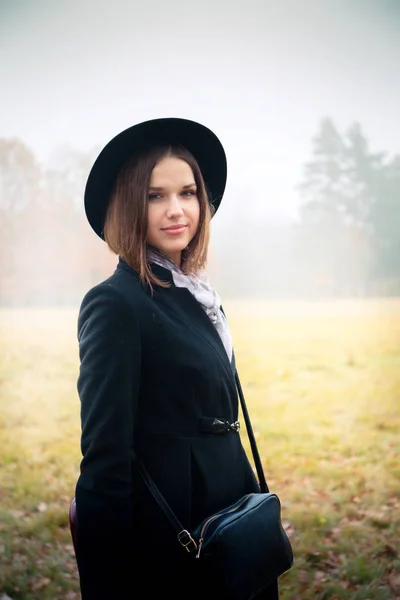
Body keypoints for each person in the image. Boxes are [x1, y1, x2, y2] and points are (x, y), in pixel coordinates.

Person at [74, 117, 280, 599]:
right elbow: (105, 455)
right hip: (175, 524)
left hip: (233, 506)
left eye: (187, 193)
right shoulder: (115, 302)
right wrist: (107, 581)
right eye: (154, 195)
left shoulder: (196, 293)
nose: (176, 210)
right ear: (128, 205)